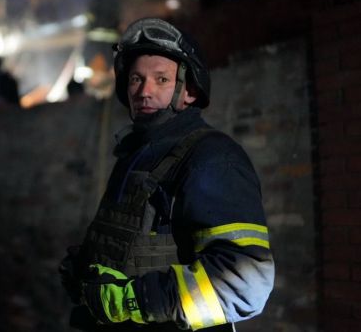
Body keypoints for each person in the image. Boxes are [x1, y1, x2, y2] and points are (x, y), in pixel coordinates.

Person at [60, 18, 274, 331]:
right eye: (136, 78)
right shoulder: (136, 154)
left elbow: (245, 281)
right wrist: (88, 270)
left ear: (190, 91)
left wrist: (130, 300)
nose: (144, 91)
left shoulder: (212, 157)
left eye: (161, 79)